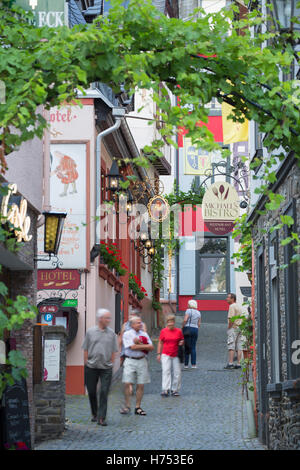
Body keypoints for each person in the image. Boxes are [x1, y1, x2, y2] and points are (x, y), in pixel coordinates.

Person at [82, 308, 118, 426]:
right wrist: (86, 362)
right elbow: (85, 348)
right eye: (107, 318)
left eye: (109, 318)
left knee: (104, 391)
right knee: (92, 391)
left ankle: (102, 417)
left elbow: (114, 350)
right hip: (91, 366)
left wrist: (111, 363)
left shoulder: (112, 333)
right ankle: (95, 413)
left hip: (106, 368)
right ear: (100, 319)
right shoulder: (90, 332)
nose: (109, 320)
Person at [120, 316, 154, 416]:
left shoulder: (144, 334)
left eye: (140, 322)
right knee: (127, 383)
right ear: (132, 324)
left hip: (142, 360)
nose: (140, 324)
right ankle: (127, 405)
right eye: (138, 322)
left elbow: (151, 347)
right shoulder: (127, 334)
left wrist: (138, 344)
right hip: (130, 360)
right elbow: (132, 347)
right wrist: (144, 346)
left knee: (141, 384)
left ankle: (137, 407)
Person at [157, 314, 184, 397]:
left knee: (177, 372)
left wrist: (181, 342)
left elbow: (182, 339)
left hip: (176, 354)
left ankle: (175, 389)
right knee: (166, 371)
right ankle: (165, 389)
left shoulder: (178, 331)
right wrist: (158, 353)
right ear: (167, 323)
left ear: (174, 322)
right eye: (169, 322)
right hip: (165, 353)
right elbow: (160, 342)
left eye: (172, 322)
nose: (170, 324)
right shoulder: (163, 331)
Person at [224, 293, 245, 370]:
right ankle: (239, 363)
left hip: (234, 327)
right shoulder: (239, 306)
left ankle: (230, 363)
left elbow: (231, 319)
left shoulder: (232, 306)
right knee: (239, 346)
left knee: (231, 344)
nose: (226, 299)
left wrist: (229, 328)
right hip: (240, 327)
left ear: (232, 299)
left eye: (228, 297)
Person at [182, 299, 201, 369]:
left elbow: (185, 319)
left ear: (190, 305)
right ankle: (193, 364)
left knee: (187, 346)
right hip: (195, 329)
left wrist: (182, 326)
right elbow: (199, 324)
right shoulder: (199, 312)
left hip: (188, 328)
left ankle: (186, 364)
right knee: (193, 347)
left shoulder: (188, 310)